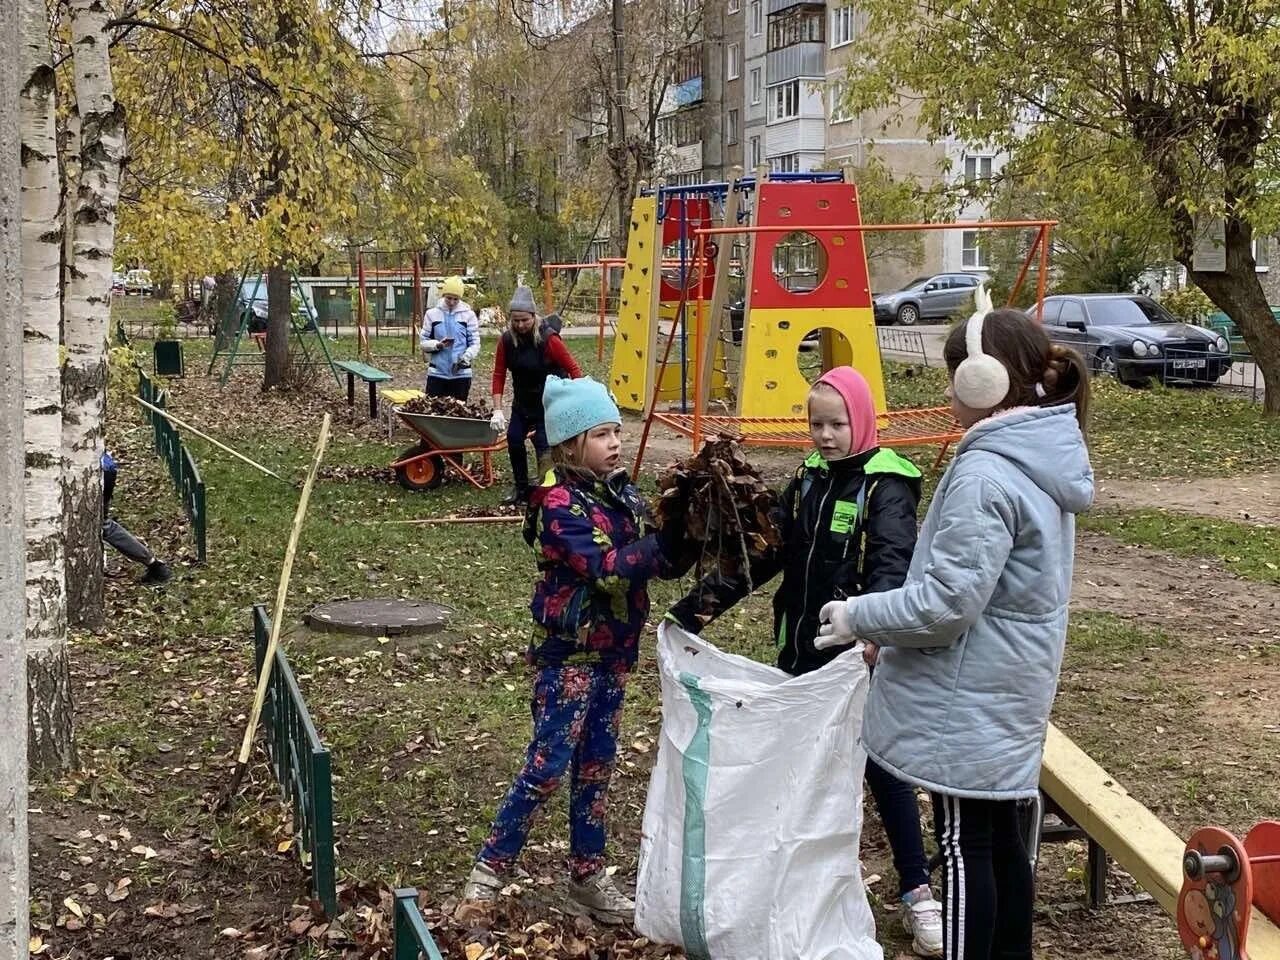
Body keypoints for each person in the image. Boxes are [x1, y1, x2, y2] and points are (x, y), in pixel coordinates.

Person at [816, 297, 1094, 960]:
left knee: (964, 845)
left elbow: (945, 605)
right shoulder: (1039, 462)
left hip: (967, 701)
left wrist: (860, 615)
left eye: (954, 373)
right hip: (1002, 690)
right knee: (1001, 842)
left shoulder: (988, 472)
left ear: (985, 381)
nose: (947, 390)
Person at [667, 366, 944, 957]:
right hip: (802, 653)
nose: (824, 435)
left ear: (862, 421)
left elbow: (892, 568)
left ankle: (918, 892)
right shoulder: (809, 480)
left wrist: (876, 637)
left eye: (837, 424)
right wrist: (698, 609)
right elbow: (767, 555)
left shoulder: (885, 486)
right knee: (798, 767)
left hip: (860, 661)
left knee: (880, 769)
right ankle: (790, 880)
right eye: (816, 424)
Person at [462, 376, 691, 924]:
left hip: (613, 655)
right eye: (601, 433)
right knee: (548, 765)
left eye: (616, 430)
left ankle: (587, 877)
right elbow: (609, 570)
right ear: (569, 444)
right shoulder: (557, 504)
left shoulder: (620, 489)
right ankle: (489, 871)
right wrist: (660, 545)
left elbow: (655, 555)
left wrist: (686, 536)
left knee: (596, 768)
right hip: (566, 658)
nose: (615, 442)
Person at [490, 285, 583, 506]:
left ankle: (547, 492)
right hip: (523, 402)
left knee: (543, 447)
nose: (520, 325)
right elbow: (498, 374)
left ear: (534, 317)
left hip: (548, 403)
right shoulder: (506, 341)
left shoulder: (549, 340)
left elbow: (574, 369)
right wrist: (497, 409)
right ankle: (521, 488)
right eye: (515, 321)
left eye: (525, 320)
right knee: (514, 440)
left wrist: (579, 397)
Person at [102, 451, 171, 584]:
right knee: (103, 525)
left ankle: (156, 567)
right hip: (104, 467)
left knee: (100, 525)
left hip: (96, 471)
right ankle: (154, 565)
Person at [420, 275, 480, 400]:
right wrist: (437, 345)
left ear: (460, 298)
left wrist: (466, 357)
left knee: (458, 413)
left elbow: (475, 343)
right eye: (448, 298)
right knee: (433, 411)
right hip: (437, 373)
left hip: (461, 374)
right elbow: (423, 342)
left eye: (455, 299)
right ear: (443, 296)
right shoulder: (432, 314)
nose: (452, 302)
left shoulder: (468, 315)